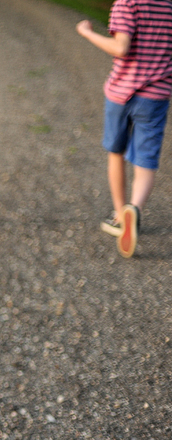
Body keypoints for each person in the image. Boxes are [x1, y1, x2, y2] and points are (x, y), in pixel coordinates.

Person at [76, 0, 172, 258]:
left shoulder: (127, 3)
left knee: (115, 152)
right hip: (156, 96)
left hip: (120, 93)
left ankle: (120, 216)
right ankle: (135, 208)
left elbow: (120, 48)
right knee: (146, 161)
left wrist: (87, 32)